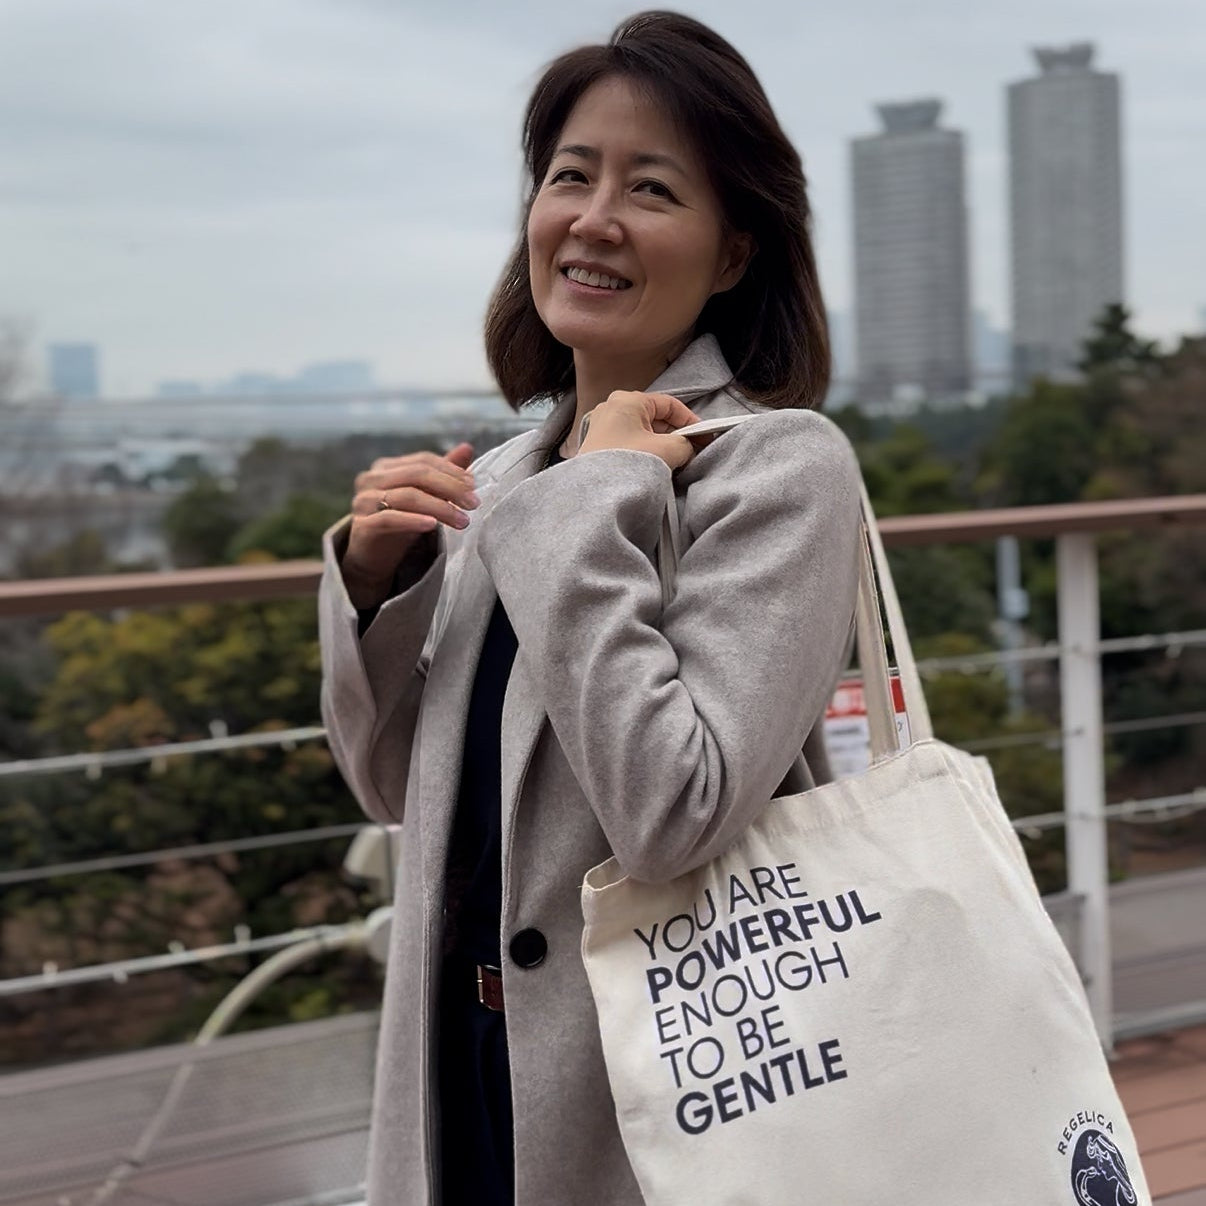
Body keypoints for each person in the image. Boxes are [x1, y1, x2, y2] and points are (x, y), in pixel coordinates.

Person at [318, 12, 863, 1204]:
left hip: (655, 1087)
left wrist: (591, 500)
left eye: (651, 188)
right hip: (457, 1065)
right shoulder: (507, 481)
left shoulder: (778, 468)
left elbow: (675, 809)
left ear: (734, 253)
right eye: (571, 176)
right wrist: (375, 588)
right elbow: (393, 790)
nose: (595, 218)